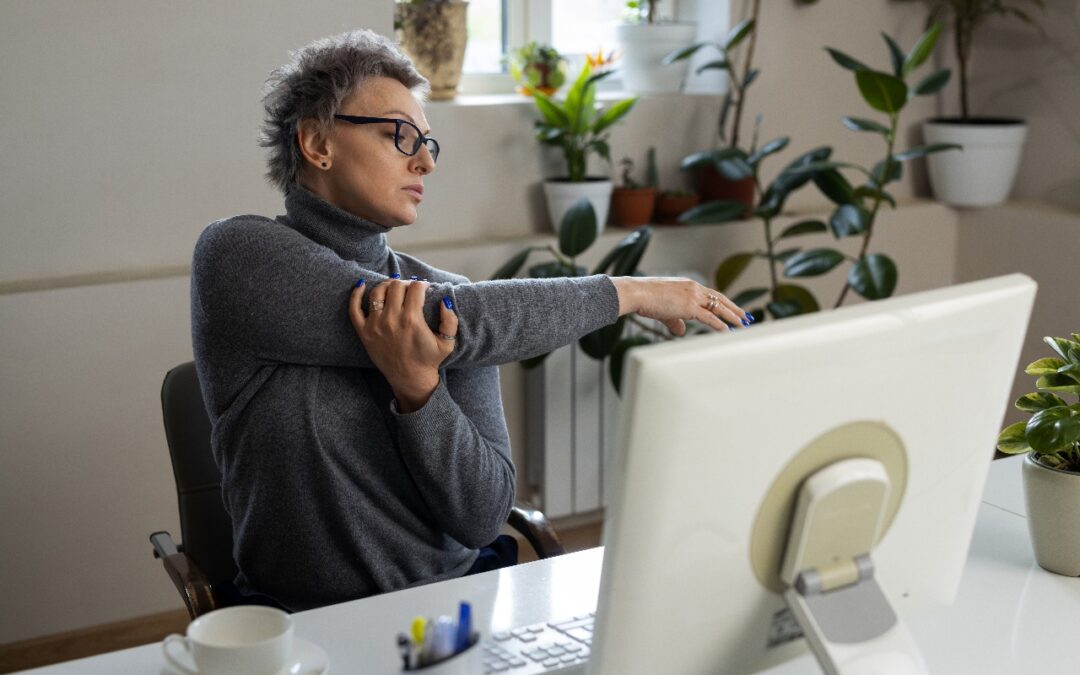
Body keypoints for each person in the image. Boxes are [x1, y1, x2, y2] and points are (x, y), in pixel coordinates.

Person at [190, 29, 751, 612]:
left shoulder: (459, 303)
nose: (425, 160)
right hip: (304, 627)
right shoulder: (236, 256)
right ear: (316, 143)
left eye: (429, 142)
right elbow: (456, 318)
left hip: (455, 611)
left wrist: (420, 392)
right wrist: (629, 292)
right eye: (399, 134)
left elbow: (483, 518)